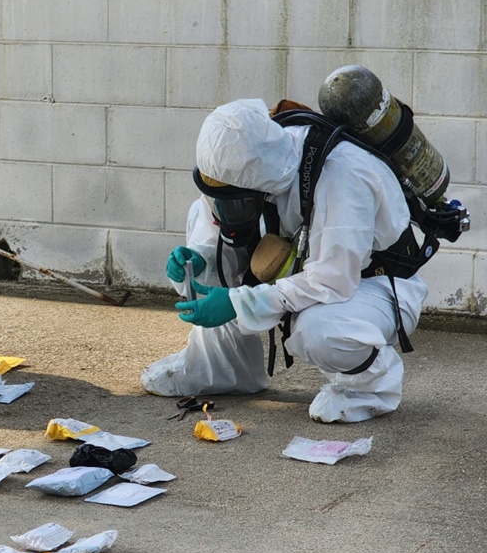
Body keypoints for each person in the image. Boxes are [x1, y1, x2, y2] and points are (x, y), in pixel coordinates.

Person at [142, 97, 428, 422]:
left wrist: (239, 303)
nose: (224, 212)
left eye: (236, 199)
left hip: (374, 286)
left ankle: (369, 389)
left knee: (319, 330)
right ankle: (223, 368)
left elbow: (332, 280)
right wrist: (203, 259)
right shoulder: (261, 163)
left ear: (260, 183)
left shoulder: (342, 176)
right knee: (204, 217)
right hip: (314, 268)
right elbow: (226, 218)